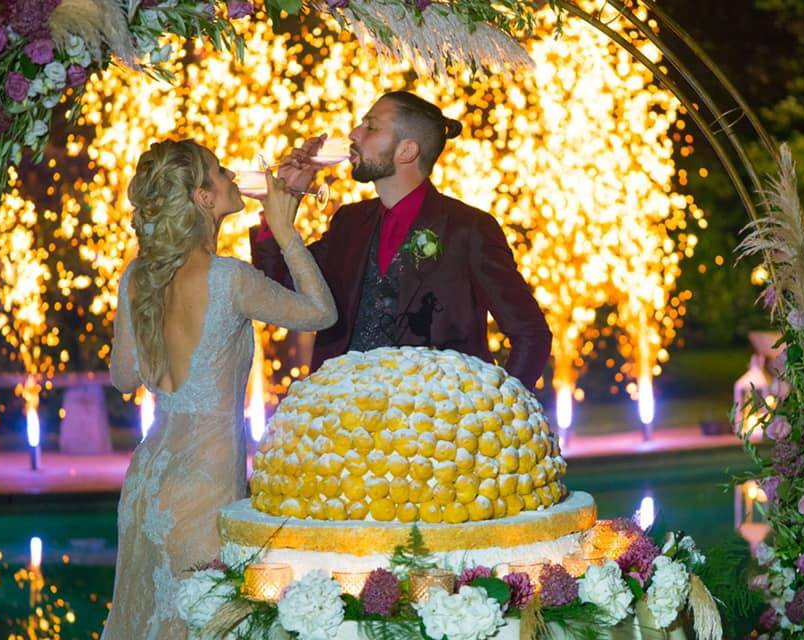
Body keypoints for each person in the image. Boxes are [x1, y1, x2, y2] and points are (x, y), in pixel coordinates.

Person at [103, 139, 337, 638]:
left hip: (147, 483)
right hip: (205, 487)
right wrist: (285, 229)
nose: (234, 177)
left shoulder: (137, 277)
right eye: (222, 172)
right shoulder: (229, 278)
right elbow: (322, 312)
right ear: (203, 198)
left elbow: (123, 378)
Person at [250, 91, 552, 388]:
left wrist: (496, 410)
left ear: (406, 151)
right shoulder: (349, 222)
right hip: (344, 423)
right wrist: (282, 201)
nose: (354, 134)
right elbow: (279, 293)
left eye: (370, 126)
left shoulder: (469, 228)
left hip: (433, 426)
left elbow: (531, 334)